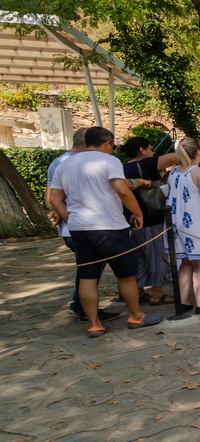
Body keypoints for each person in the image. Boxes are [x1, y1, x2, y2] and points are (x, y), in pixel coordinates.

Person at [48, 126, 163, 336]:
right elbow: (121, 189)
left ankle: (94, 324)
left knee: (87, 275)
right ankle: (136, 316)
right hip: (110, 227)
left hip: (80, 229)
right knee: (126, 273)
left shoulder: (64, 165)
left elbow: (54, 199)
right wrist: (138, 213)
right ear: (107, 143)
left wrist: (70, 219)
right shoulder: (108, 161)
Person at [45, 127, 121, 323]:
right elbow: (53, 199)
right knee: (89, 272)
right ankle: (83, 310)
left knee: (87, 270)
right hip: (90, 226)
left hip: (77, 226)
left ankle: (81, 307)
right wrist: (69, 218)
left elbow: (52, 198)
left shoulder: (60, 163)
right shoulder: (69, 162)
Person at [122, 136, 180, 306]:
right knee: (157, 255)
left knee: (139, 257)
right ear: (142, 150)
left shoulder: (124, 168)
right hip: (150, 217)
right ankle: (157, 293)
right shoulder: (143, 164)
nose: (153, 151)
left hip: (131, 218)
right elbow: (174, 157)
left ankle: (139, 292)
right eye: (150, 148)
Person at [166, 138, 200, 314]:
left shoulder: (173, 172)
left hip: (176, 224)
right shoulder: (199, 172)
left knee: (186, 263)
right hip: (195, 224)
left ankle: (182, 301)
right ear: (198, 152)